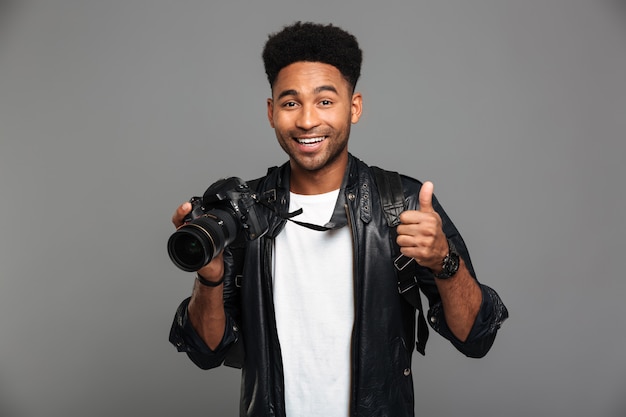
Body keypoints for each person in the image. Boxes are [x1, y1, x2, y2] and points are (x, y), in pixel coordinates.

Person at [169, 21, 508, 417]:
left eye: (325, 101)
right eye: (290, 103)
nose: (308, 120)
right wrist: (209, 278)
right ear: (271, 111)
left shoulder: (401, 204)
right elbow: (206, 352)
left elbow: (476, 337)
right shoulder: (246, 211)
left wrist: (445, 262)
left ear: (355, 107)